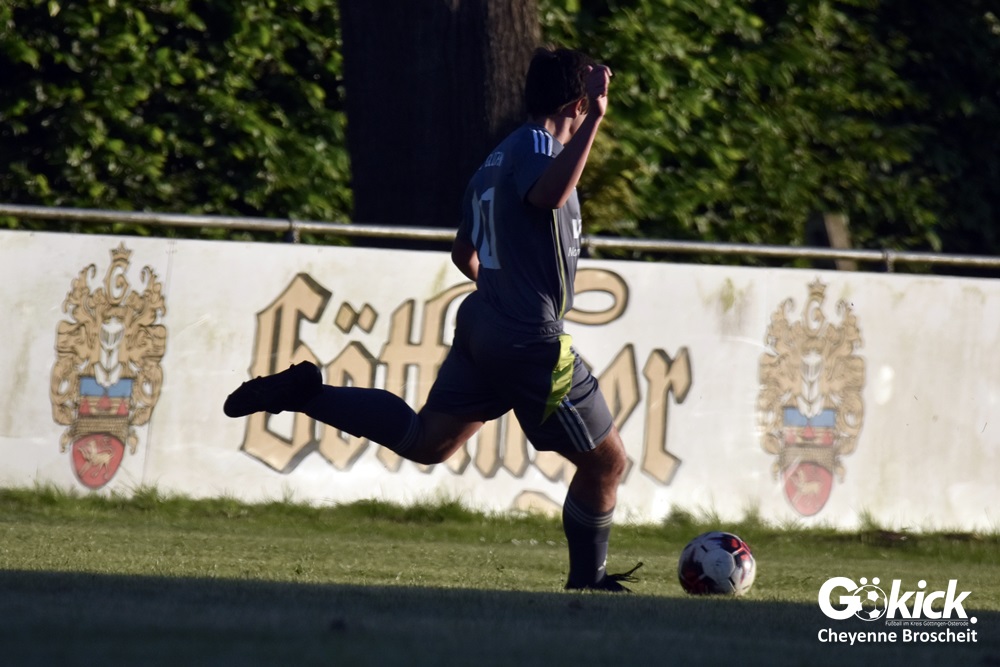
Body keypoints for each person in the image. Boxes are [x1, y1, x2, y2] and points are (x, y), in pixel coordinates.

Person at [224, 47, 639, 592]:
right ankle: (588, 582)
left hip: (484, 323)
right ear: (578, 103)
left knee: (428, 441)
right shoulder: (542, 147)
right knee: (607, 464)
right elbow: (550, 195)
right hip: (529, 337)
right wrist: (597, 123)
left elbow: (464, 252)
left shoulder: (495, 158)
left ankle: (307, 395)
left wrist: (499, 290)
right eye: (590, 104)